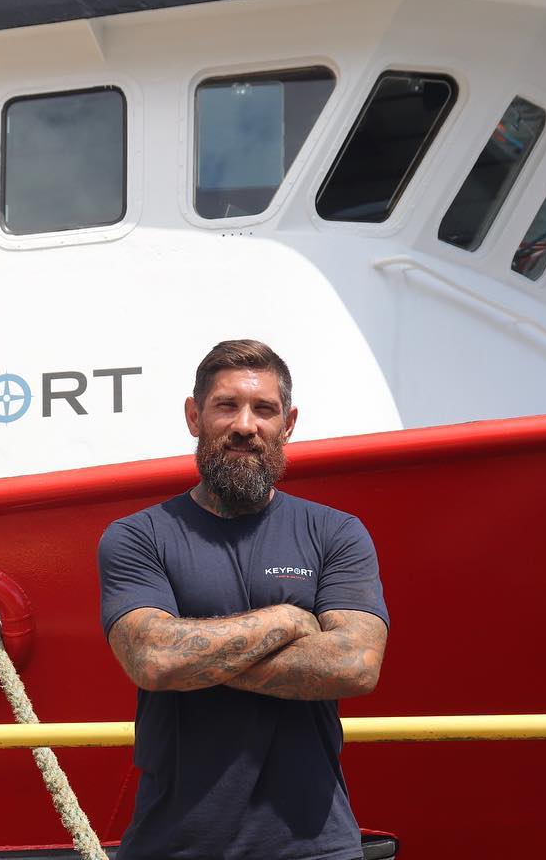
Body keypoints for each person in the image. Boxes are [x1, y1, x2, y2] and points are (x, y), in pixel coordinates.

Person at [98, 339, 389, 860]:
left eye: (264, 410)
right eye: (226, 406)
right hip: (174, 846)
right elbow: (153, 658)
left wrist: (195, 655)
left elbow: (355, 665)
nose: (245, 425)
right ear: (194, 416)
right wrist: (288, 619)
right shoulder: (137, 537)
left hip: (314, 847)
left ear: (289, 422)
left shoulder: (335, 533)